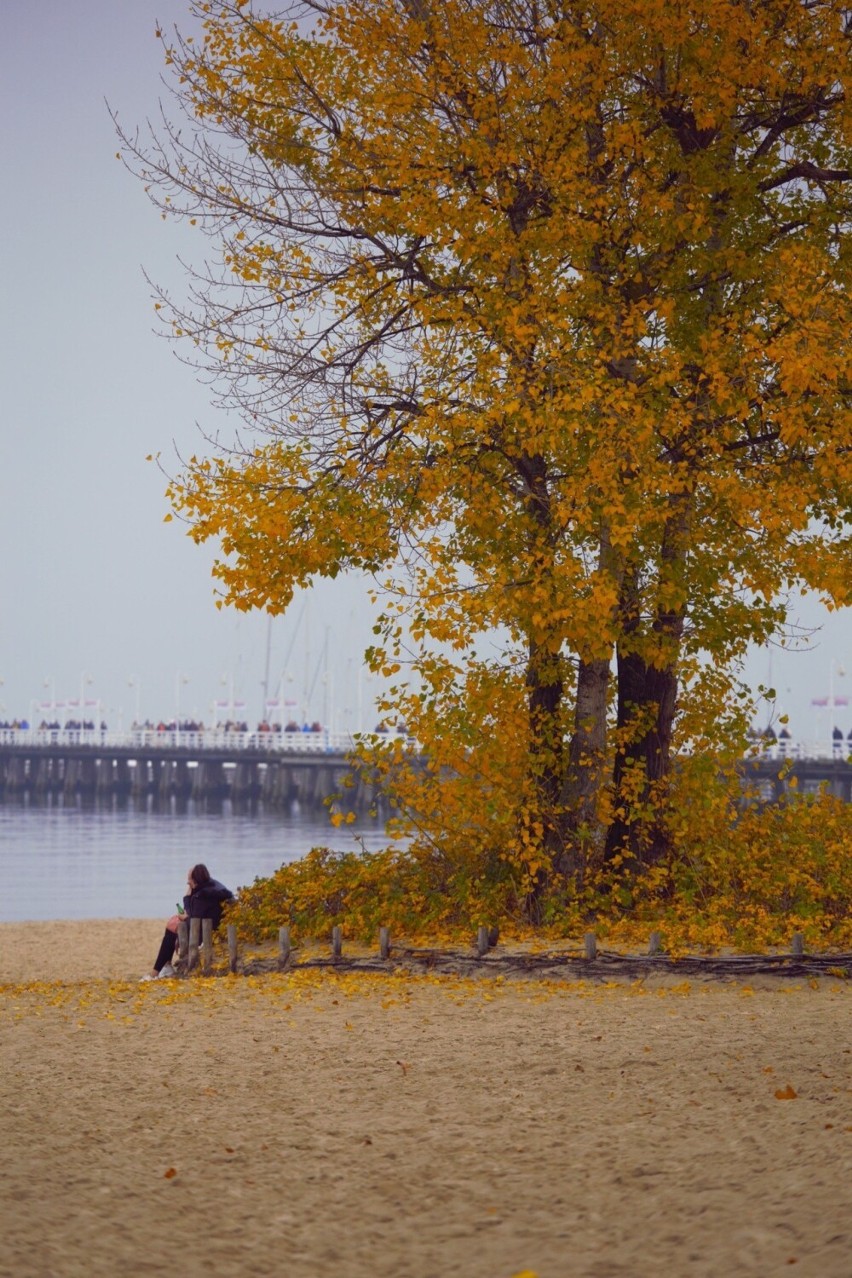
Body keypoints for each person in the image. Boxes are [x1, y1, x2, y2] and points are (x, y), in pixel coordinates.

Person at [141, 864, 234, 981]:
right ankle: (165, 965)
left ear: (195, 881)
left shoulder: (201, 896)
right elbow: (196, 916)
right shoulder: (215, 887)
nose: (187, 883)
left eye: (189, 879)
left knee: (172, 926)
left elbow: (193, 922)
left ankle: (156, 971)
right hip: (220, 929)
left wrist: (186, 898)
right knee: (174, 922)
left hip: (207, 936)